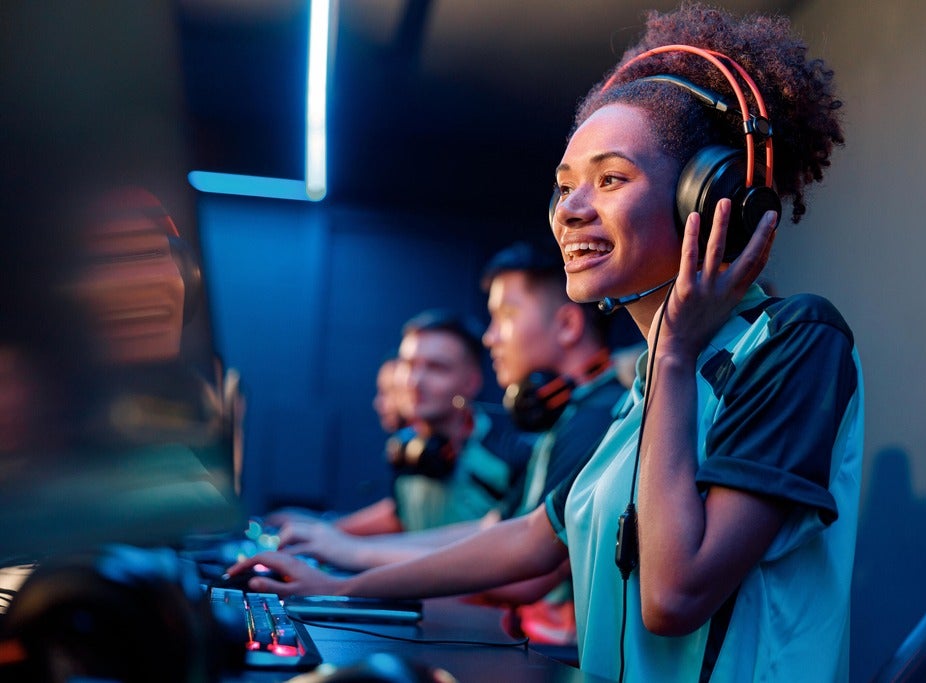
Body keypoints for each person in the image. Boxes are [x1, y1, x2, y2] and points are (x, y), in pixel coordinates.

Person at [229, 4, 862, 682]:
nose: (572, 209)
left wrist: (676, 353)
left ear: (704, 199)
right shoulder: (646, 385)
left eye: (611, 178)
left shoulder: (794, 343)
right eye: (564, 187)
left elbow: (674, 594)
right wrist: (332, 588)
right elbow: (533, 536)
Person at [270, 241, 626, 646]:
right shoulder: (570, 417)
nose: (491, 337)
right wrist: (342, 547)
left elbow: (527, 570)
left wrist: (351, 565)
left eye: (504, 316)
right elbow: (494, 530)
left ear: (566, 325)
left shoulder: (598, 418)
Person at [322, 309, 526, 536]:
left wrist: (348, 549)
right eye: (408, 365)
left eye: (436, 367)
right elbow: (401, 517)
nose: (414, 381)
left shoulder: (510, 454)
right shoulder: (407, 448)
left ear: (471, 382)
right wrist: (324, 530)